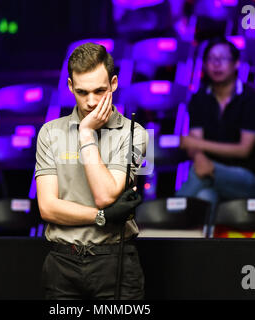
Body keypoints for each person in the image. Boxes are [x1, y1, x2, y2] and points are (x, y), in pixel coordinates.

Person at [35, 42, 149, 300]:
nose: (91, 102)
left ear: (114, 83)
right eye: (82, 92)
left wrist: (86, 134)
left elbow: (106, 195)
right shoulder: (50, 133)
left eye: (99, 91)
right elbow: (48, 208)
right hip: (62, 261)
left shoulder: (136, 133)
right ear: (69, 86)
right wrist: (101, 217)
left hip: (115, 259)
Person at [175, 37, 255, 217]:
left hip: (248, 179)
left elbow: (244, 150)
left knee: (198, 175)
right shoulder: (199, 98)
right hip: (207, 177)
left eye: (222, 58)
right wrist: (200, 157)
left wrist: (198, 148)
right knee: (204, 197)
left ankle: (168, 219)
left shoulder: (251, 98)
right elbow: (194, 144)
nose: (216, 64)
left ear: (236, 63)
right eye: (211, 59)